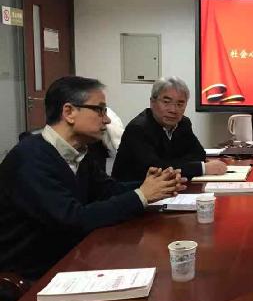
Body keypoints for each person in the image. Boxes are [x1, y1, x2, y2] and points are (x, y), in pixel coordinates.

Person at [0, 76, 186, 280]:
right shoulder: (30, 159)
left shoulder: (80, 152)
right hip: (32, 277)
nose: (107, 119)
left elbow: (107, 190)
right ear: (69, 112)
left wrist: (156, 185)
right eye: (100, 110)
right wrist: (141, 195)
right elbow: (73, 219)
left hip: (72, 257)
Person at [113, 77, 226, 182]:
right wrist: (202, 168)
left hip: (167, 188)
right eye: (166, 102)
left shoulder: (183, 123)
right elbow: (156, 170)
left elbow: (199, 154)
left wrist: (170, 164)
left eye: (180, 104)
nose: (173, 110)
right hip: (132, 192)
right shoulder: (138, 129)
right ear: (152, 102)